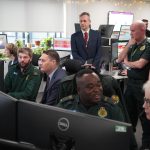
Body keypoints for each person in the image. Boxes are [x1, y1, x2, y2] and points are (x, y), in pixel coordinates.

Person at [117, 20, 150, 150]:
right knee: (128, 115)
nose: (130, 33)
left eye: (133, 30)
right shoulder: (132, 43)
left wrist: (128, 63)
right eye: (130, 30)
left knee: (145, 117)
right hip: (130, 84)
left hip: (142, 87)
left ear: (142, 30)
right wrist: (128, 46)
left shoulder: (148, 45)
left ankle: (146, 145)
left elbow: (140, 64)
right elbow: (119, 59)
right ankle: (129, 143)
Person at [57, 68, 124, 122]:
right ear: (78, 90)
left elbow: (122, 130)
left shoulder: (111, 107)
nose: (97, 90)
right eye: (90, 87)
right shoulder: (65, 106)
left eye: (99, 85)